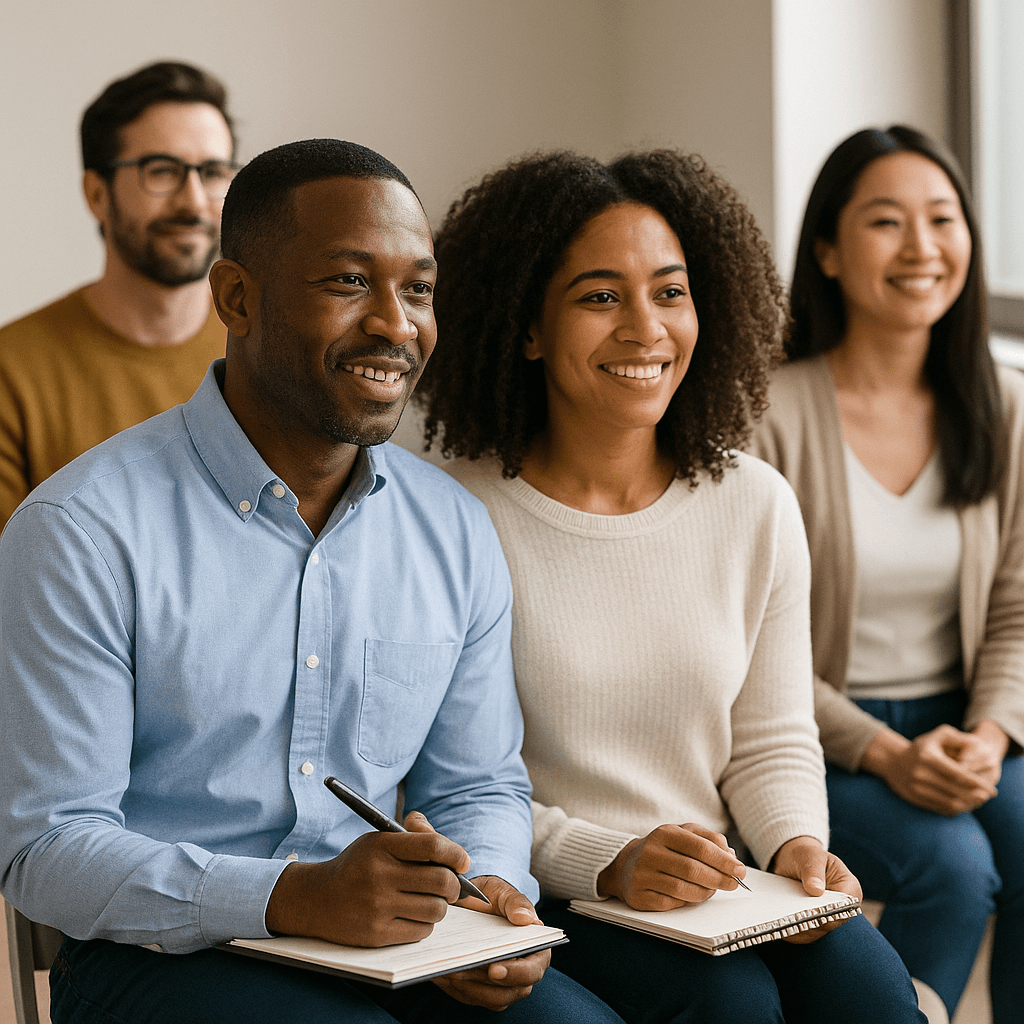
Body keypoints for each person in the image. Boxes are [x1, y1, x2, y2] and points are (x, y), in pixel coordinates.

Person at [0, 139, 626, 1024]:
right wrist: (291, 897)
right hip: (159, 958)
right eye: (348, 283)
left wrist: (488, 900)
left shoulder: (451, 528)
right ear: (236, 298)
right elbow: (48, 848)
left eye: (417, 289)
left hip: (395, 942)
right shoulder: (79, 532)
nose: (395, 325)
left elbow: (476, 787)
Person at [415, 149, 926, 1023]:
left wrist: (799, 846)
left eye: (670, 291)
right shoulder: (452, 514)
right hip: (555, 884)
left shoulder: (755, 502)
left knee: (874, 993)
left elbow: (770, 737)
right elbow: (434, 780)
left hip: (719, 880)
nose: (644, 327)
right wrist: (602, 859)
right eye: (600, 296)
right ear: (528, 328)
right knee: (731, 1008)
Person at [748, 125, 1024, 1023]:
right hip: (823, 730)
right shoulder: (771, 411)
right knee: (952, 866)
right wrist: (884, 751)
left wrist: (988, 736)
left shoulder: (1004, 398)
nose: (921, 248)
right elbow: (746, 640)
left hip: (963, 720)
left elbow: (1021, 601)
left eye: (942, 219)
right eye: (885, 222)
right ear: (826, 249)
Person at [0, 60, 236, 529]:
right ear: (96, 194)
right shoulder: (12, 370)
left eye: (212, 172)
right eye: (162, 171)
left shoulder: (273, 351)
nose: (193, 201)